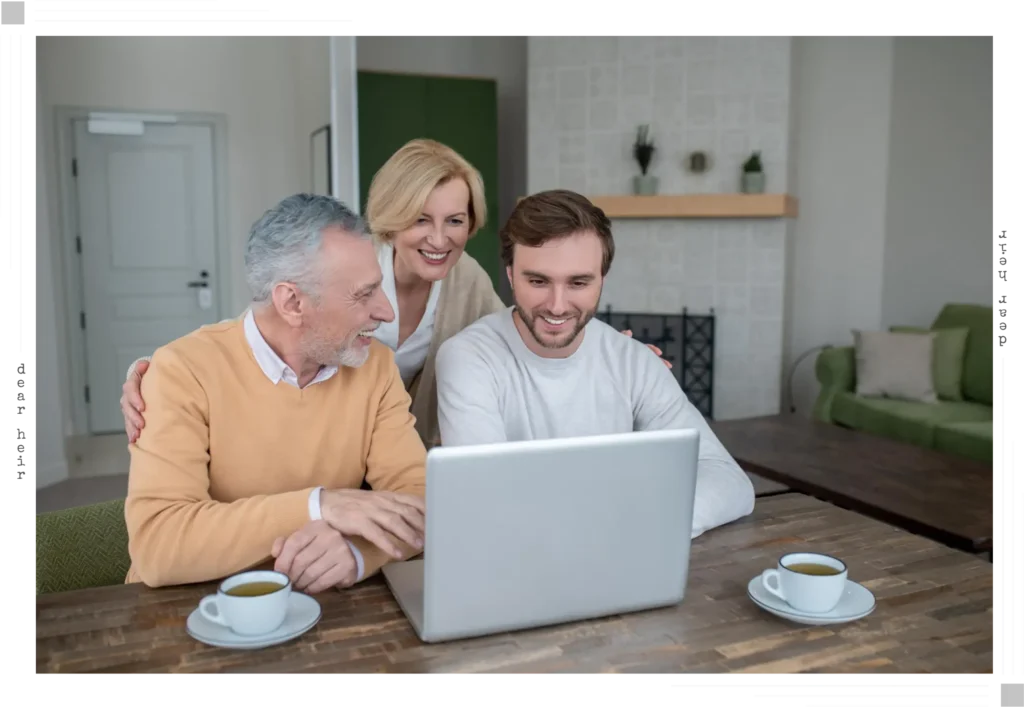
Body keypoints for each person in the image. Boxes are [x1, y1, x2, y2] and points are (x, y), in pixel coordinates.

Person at [119, 139, 667, 448]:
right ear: (390, 217)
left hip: (403, 456)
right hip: (329, 449)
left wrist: (608, 353)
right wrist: (158, 374)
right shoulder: (351, 269)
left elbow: (523, 334)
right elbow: (272, 324)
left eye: (456, 220)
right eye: (420, 219)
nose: (439, 238)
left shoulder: (468, 279)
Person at [124, 194, 427, 593]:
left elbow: (423, 500)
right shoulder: (181, 371)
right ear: (292, 302)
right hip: (193, 612)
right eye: (363, 294)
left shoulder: (375, 368)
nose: (387, 312)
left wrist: (357, 550)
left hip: (324, 612)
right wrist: (319, 506)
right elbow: (159, 546)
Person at [433, 189, 756, 539]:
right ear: (511, 276)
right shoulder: (468, 359)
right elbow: (486, 496)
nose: (557, 306)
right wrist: (620, 512)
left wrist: (638, 523)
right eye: (538, 281)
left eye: (578, 282)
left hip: (619, 553)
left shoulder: (634, 362)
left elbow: (727, 479)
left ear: (602, 278)